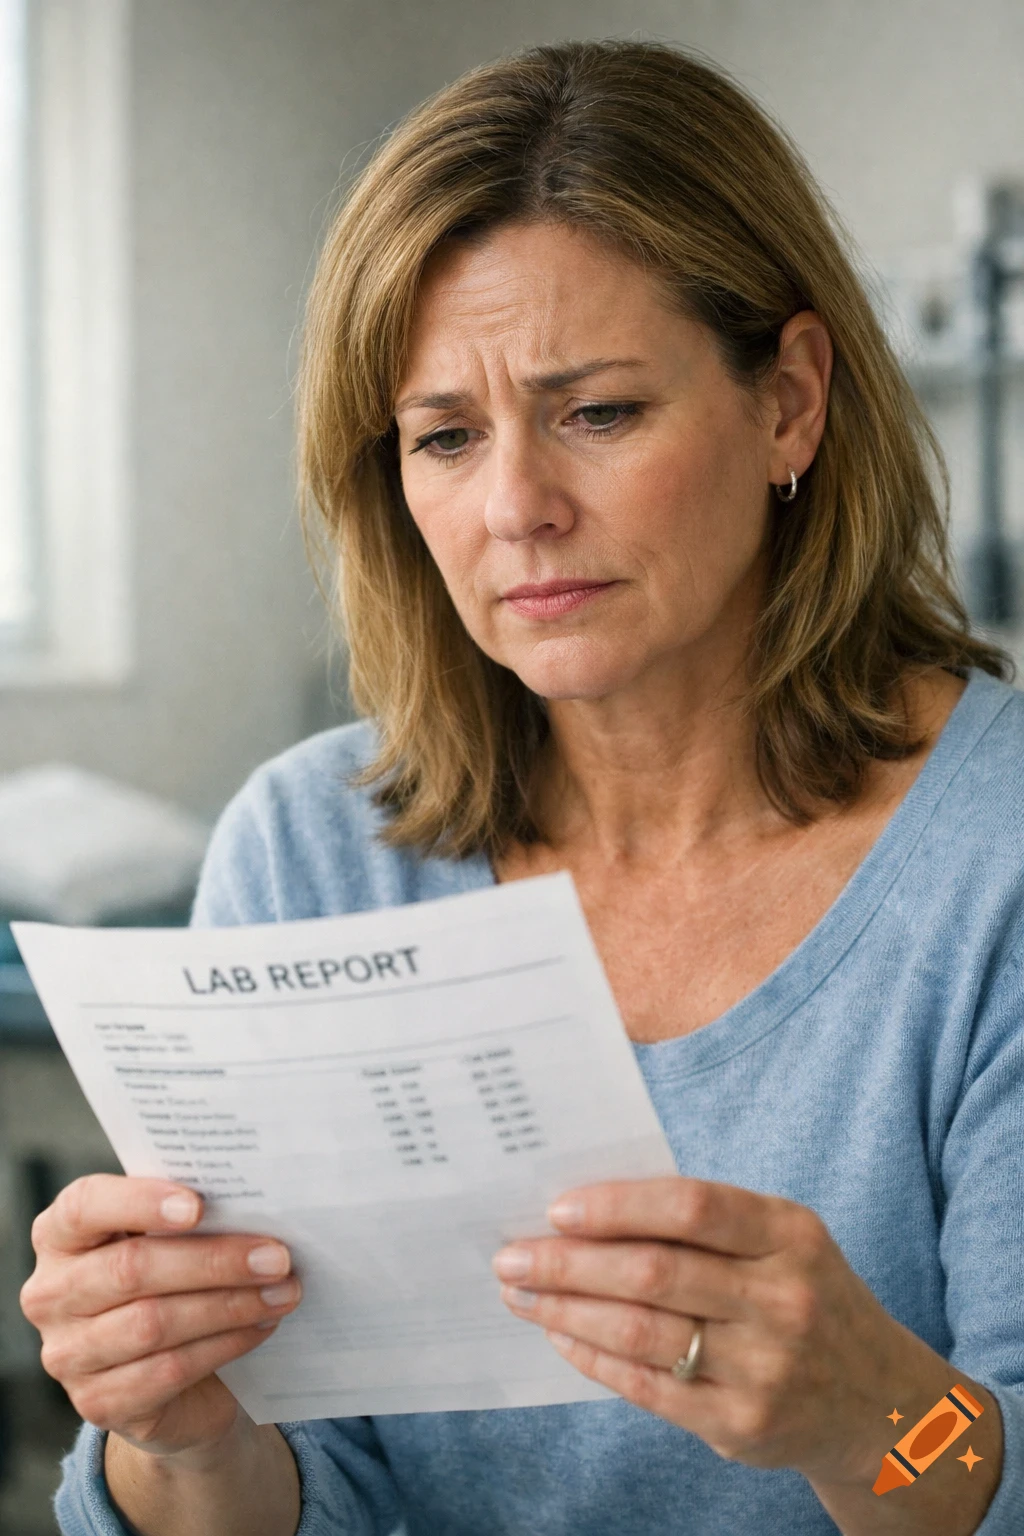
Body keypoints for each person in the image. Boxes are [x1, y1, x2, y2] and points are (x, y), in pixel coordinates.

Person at [21, 38, 1024, 1536]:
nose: (516, 511)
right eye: (444, 437)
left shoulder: (995, 863)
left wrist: (877, 1418)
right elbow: (309, 1499)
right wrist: (180, 1439)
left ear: (791, 403)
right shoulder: (308, 854)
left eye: (600, 412)